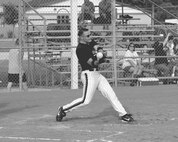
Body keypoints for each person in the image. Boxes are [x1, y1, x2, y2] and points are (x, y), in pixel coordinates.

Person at [56, 28, 134, 123]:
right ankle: (63, 109)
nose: (90, 37)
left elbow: (96, 46)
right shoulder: (80, 49)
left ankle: (123, 114)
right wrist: (100, 59)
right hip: (89, 75)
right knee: (85, 100)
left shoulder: (89, 41)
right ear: (81, 37)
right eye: (87, 36)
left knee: (111, 94)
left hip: (97, 74)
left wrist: (101, 52)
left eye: (90, 35)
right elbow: (92, 63)